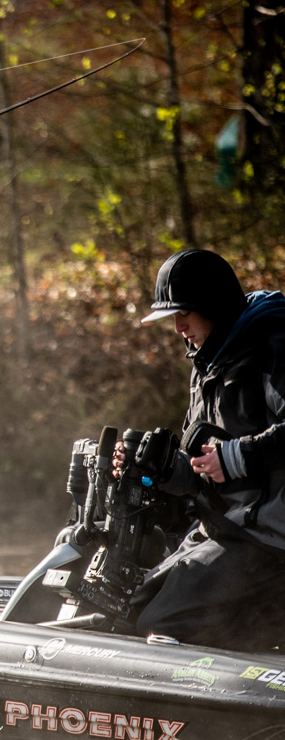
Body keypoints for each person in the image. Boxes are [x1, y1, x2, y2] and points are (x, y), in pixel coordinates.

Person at [132, 249, 285, 649]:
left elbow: (230, 460)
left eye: (184, 313)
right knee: (133, 609)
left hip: (269, 539)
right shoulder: (207, 362)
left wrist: (235, 458)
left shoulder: (275, 345)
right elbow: (203, 468)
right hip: (224, 527)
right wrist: (162, 468)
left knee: (163, 624)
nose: (178, 326)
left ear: (214, 307)